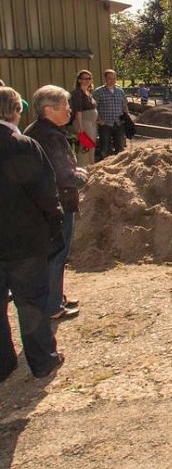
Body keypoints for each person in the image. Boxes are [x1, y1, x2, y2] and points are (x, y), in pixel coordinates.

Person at [0, 87, 65, 380]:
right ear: (14, 110)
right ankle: (42, 361)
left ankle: (4, 363)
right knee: (31, 303)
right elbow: (46, 193)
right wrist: (55, 226)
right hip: (23, 240)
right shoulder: (22, 145)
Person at [25, 85, 88, 320]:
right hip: (58, 204)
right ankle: (53, 306)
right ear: (49, 109)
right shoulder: (50, 136)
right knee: (57, 254)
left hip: (45, 204)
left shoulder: (36, 130)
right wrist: (81, 175)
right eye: (66, 106)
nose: (70, 110)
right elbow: (64, 176)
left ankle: (55, 296)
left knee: (52, 254)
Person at [93, 69, 129, 159]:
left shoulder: (120, 91)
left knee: (120, 148)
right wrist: (99, 120)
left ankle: (119, 167)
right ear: (105, 79)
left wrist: (127, 119)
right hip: (105, 124)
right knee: (105, 148)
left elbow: (124, 105)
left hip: (119, 123)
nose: (112, 80)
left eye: (114, 78)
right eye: (109, 78)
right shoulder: (98, 92)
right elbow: (94, 108)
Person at [70, 70, 98, 167]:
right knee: (86, 146)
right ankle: (83, 167)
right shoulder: (78, 93)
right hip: (83, 122)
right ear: (79, 80)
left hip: (91, 123)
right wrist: (80, 125)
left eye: (89, 78)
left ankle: (90, 165)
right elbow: (78, 110)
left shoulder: (88, 92)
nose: (86, 80)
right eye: (84, 78)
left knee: (91, 145)